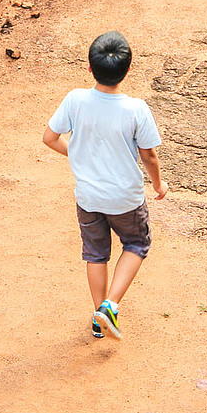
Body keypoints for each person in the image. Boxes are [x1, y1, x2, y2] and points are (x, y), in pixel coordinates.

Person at [43, 31, 168, 340]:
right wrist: (159, 184)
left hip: (88, 197)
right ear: (127, 71)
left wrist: (79, 154)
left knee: (95, 255)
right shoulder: (136, 109)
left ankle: (99, 316)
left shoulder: (75, 99)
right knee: (136, 244)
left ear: (89, 67)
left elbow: (49, 138)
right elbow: (149, 155)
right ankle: (110, 305)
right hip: (126, 197)